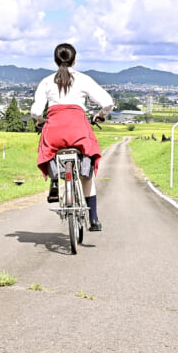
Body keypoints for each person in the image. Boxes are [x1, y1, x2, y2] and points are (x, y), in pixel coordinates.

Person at [31, 43, 113, 231]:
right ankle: (93, 218)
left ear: (55, 60)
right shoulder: (83, 79)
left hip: (54, 131)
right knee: (88, 165)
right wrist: (100, 115)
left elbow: (36, 111)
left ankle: (54, 181)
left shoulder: (46, 81)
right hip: (78, 130)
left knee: (48, 149)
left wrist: (41, 120)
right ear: (75, 60)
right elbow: (108, 102)